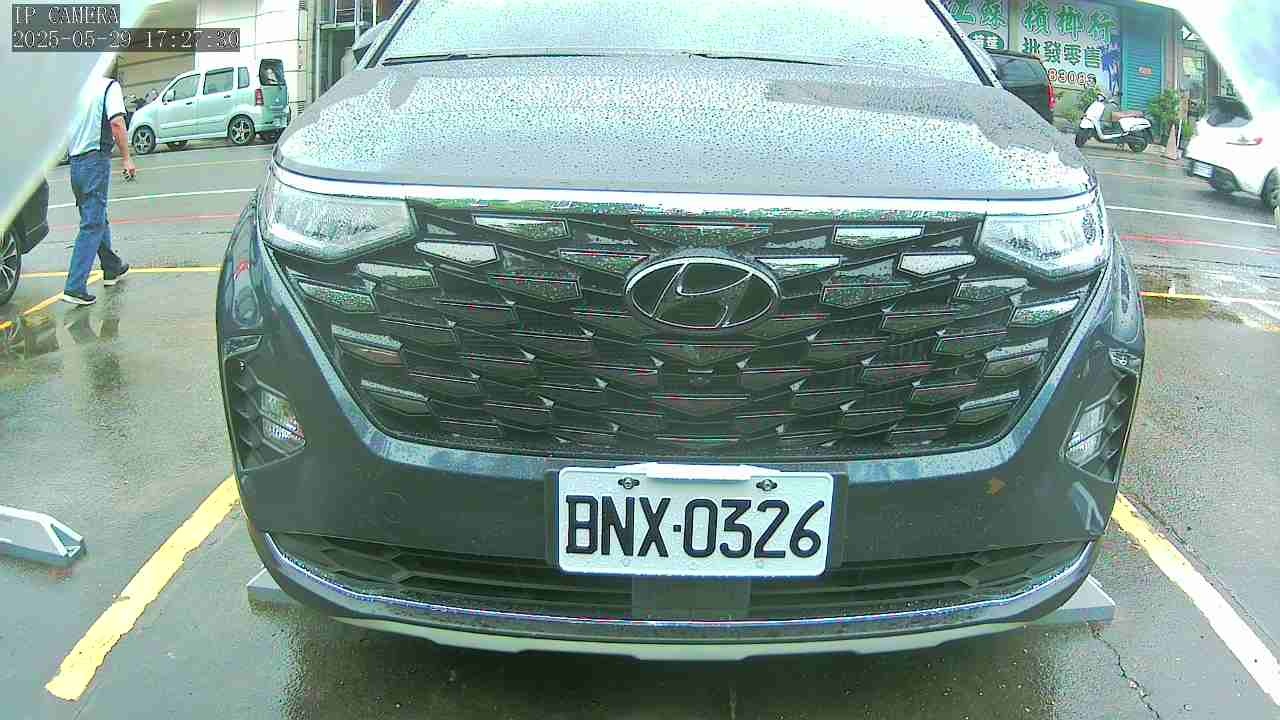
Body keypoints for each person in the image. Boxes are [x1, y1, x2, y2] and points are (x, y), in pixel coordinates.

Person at [61, 75, 135, 307]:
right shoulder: (108, 86)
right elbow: (116, 123)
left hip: (76, 163)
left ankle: (112, 268)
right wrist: (126, 157)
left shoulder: (76, 89)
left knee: (97, 216)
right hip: (94, 160)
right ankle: (75, 286)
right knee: (92, 224)